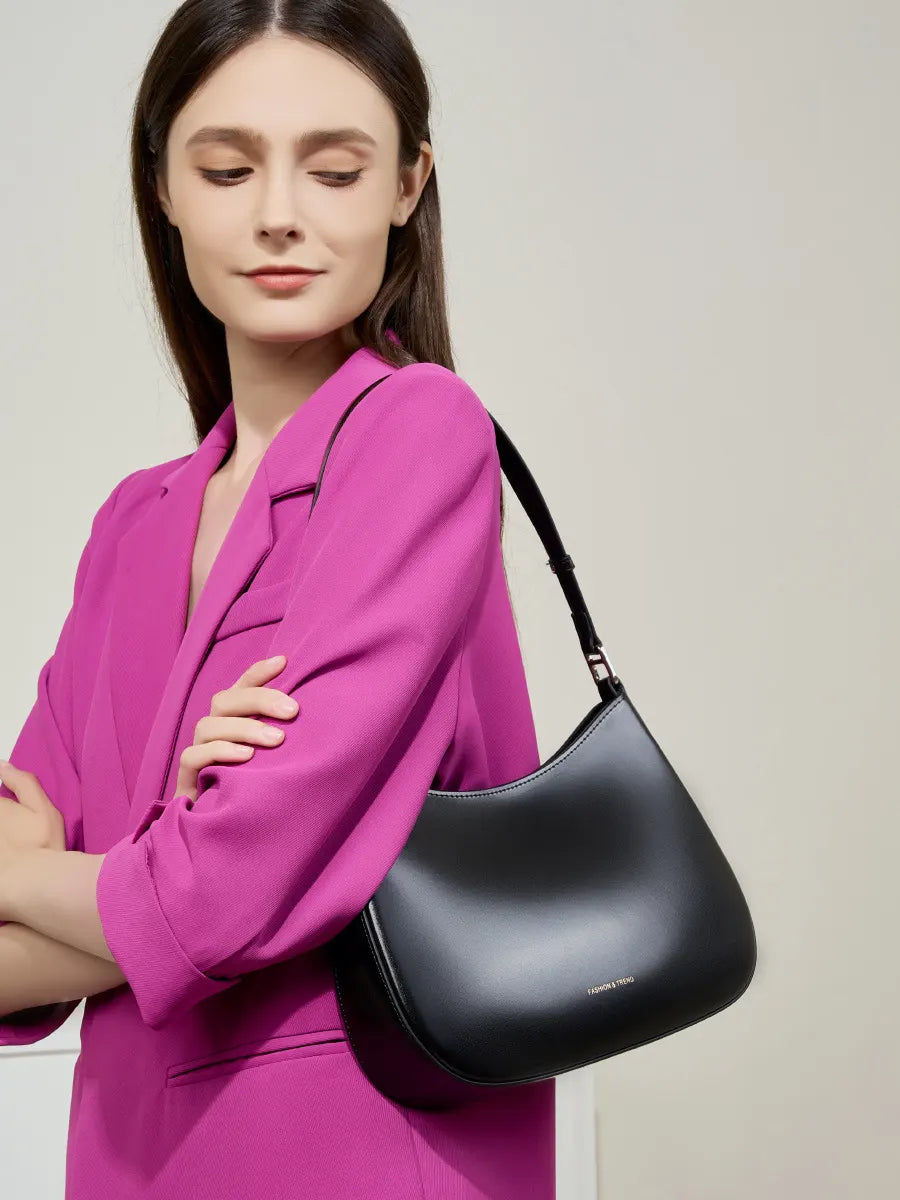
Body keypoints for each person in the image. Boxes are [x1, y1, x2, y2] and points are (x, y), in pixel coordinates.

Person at [0, 2, 556, 1196]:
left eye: (337, 167)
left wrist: (53, 880)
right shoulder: (131, 522)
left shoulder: (417, 432)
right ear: (164, 186)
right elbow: (160, 913)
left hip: (355, 1154)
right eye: (226, 165)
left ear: (409, 184)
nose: (278, 215)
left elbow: (223, 898)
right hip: (128, 1161)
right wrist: (171, 874)